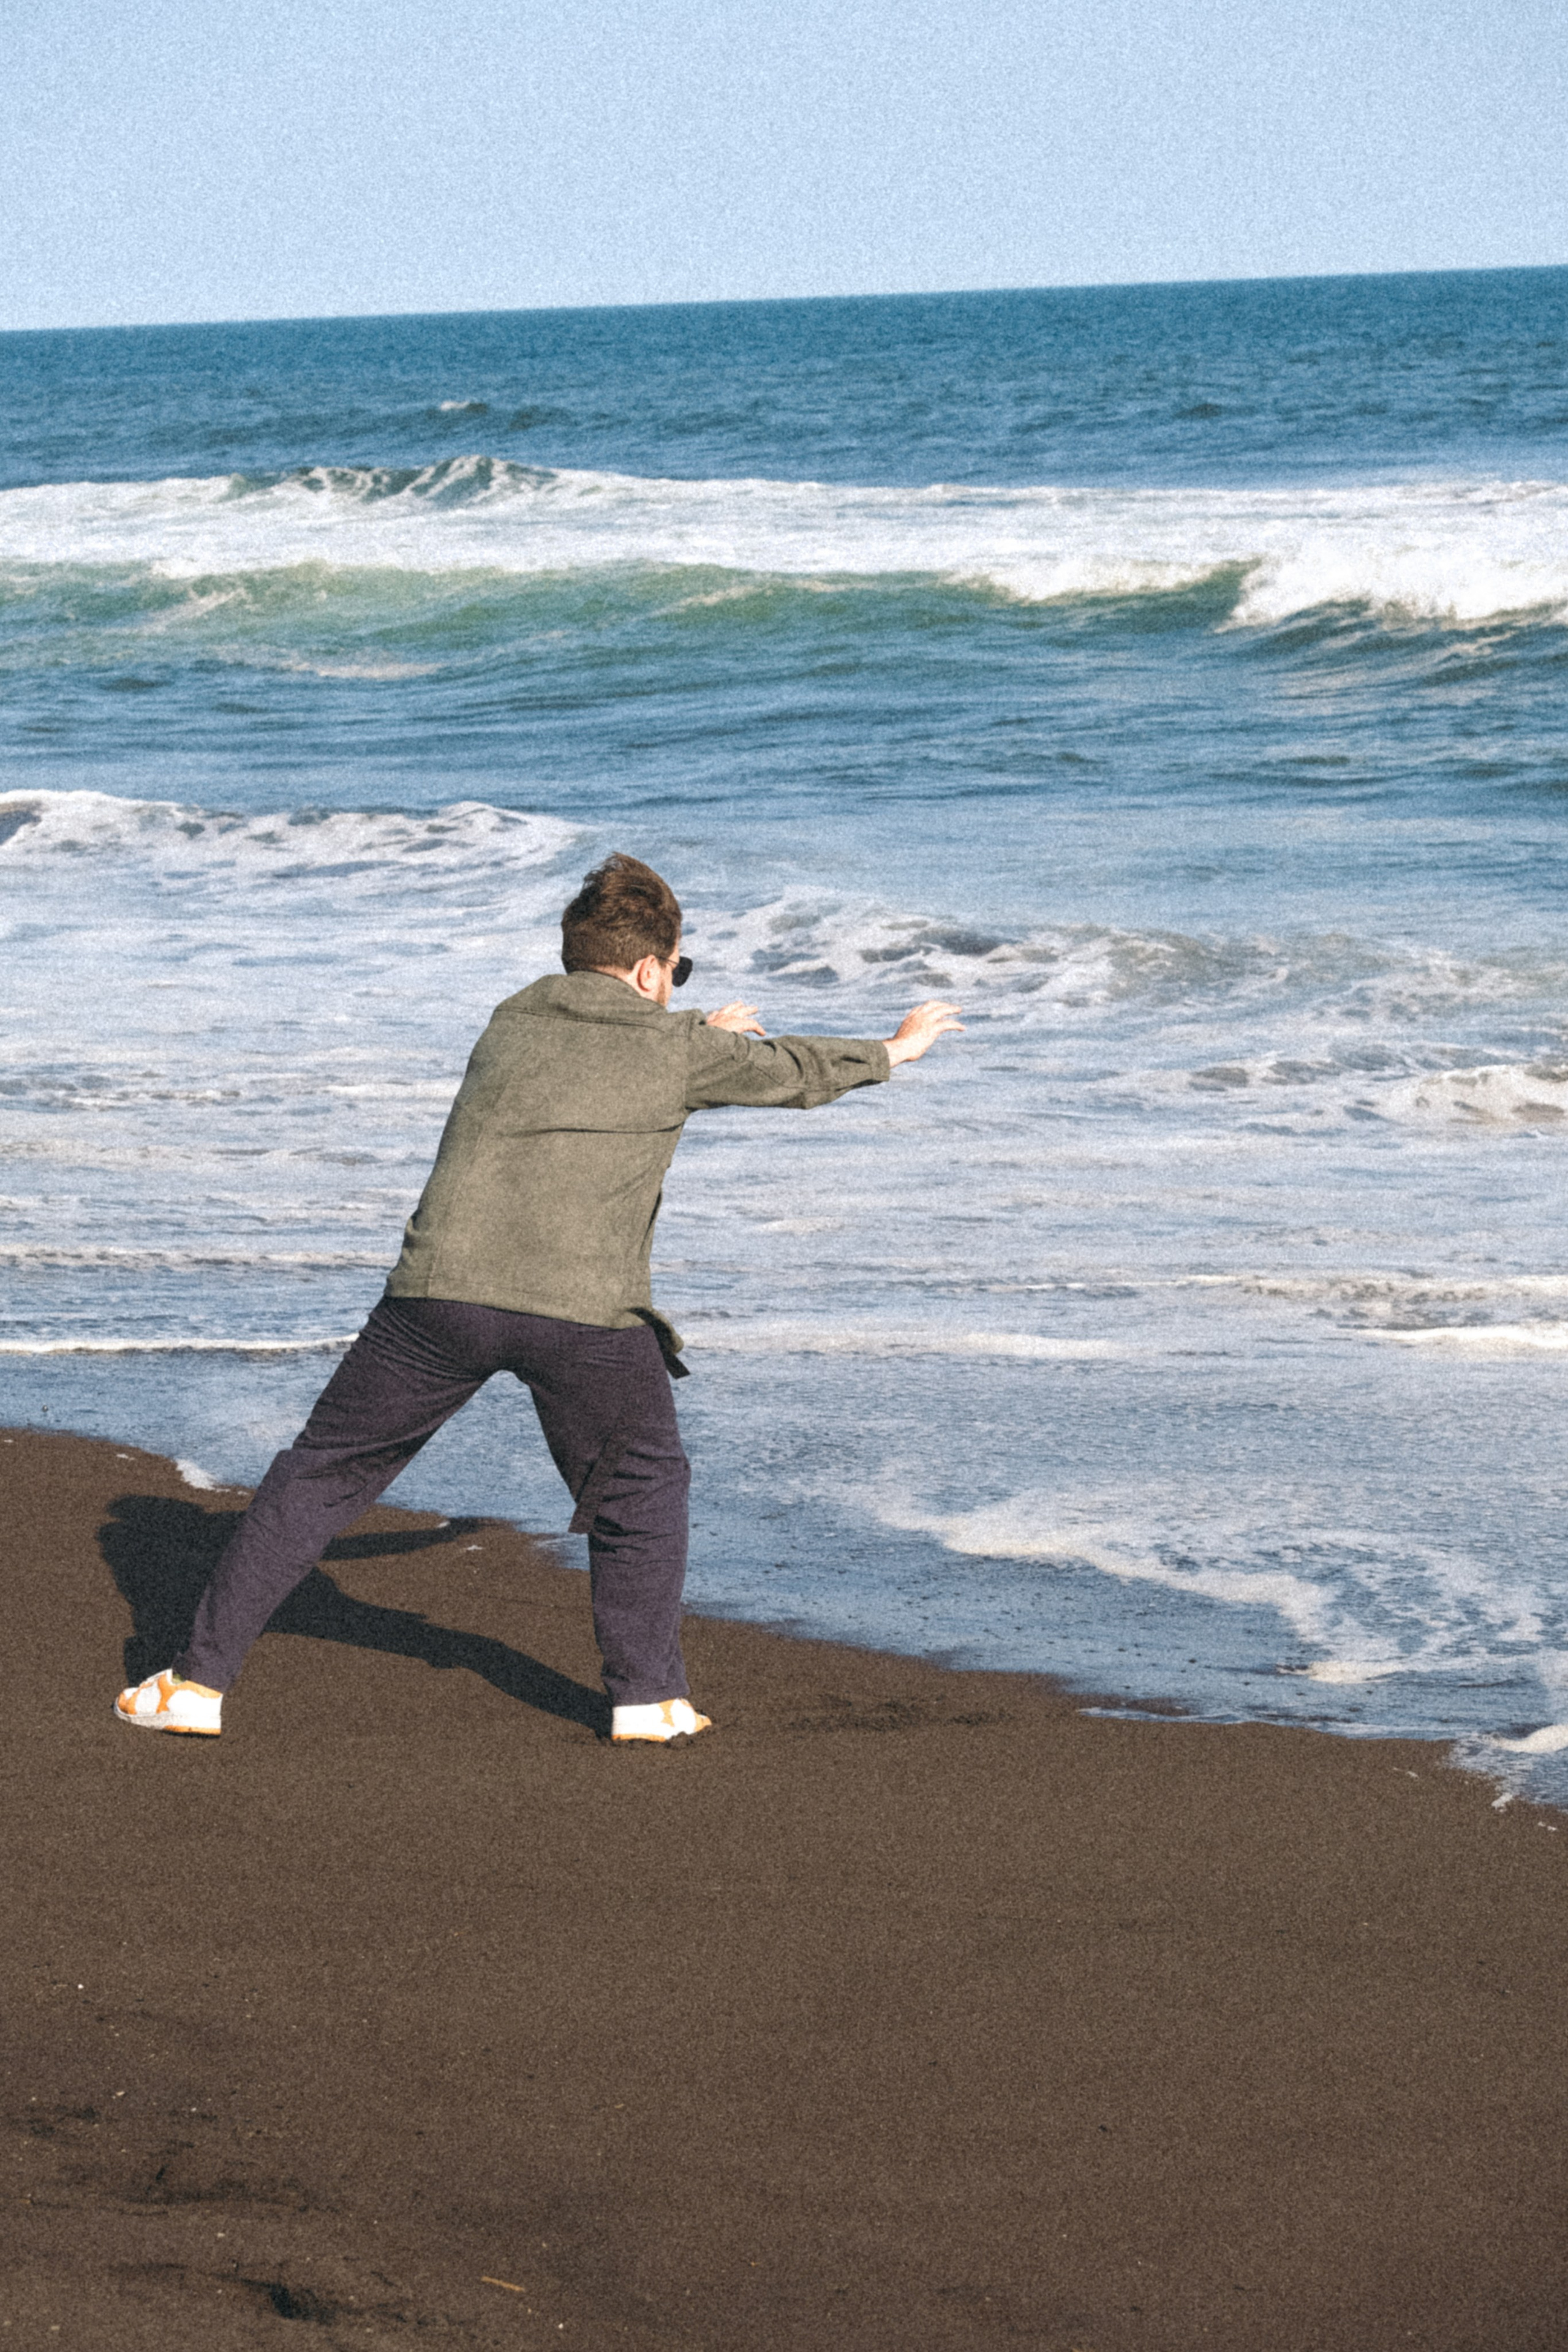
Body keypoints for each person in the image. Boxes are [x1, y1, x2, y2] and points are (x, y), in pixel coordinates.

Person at [115, 853, 963, 1744]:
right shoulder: (674, 1049)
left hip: (436, 1303)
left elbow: (608, 1070)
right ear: (648, 970)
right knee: (641, 1484)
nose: (674, 990)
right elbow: (785, 1072)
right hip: (582, 1317)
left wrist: (700, 1035)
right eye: (676, 973)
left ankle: (195, 1684)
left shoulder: (510, 1021)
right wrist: (892, 1052)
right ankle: (648, 1700)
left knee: (321, 1473)